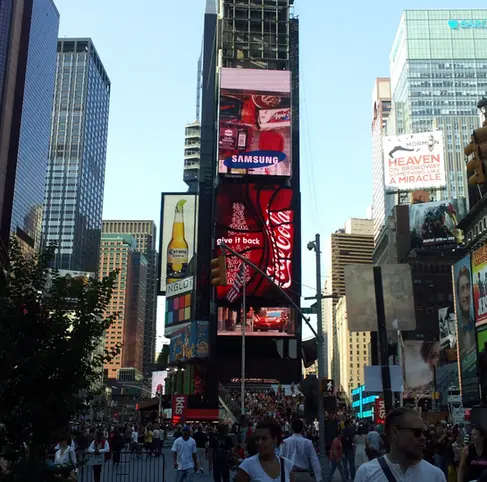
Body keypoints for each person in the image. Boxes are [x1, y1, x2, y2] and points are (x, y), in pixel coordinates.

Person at [354, 407, 446, 481]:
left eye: (424, 432)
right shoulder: (366, 473)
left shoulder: (436, 476)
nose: (423, 438)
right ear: (395, 433)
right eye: (417, 432)